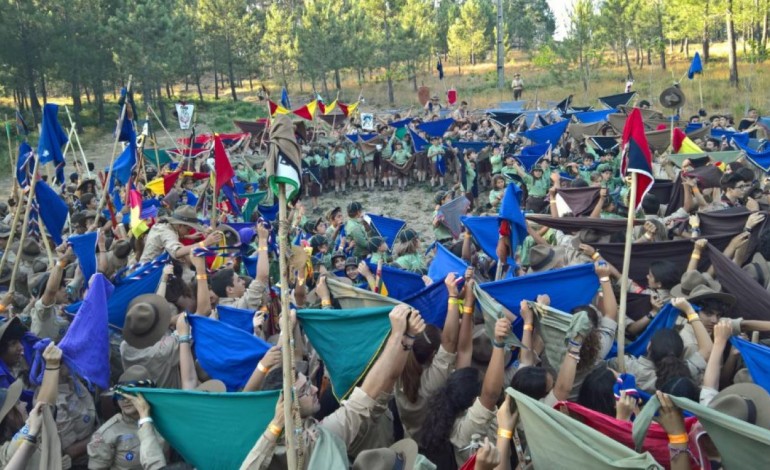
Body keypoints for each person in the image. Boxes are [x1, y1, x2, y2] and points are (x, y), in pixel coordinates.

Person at [240, 304, 426, 469]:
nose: (314, 390)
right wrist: (275, 427)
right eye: (305, 390)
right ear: (284, 405)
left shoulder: (321, 436)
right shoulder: (285, 444)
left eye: (310, 384)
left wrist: (406, 337)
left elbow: (372, 391)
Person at [87, 366, 166, 469]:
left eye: (131, 394)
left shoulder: (164, 423)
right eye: (120, 395)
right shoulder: (107, 433)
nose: (125, 400)